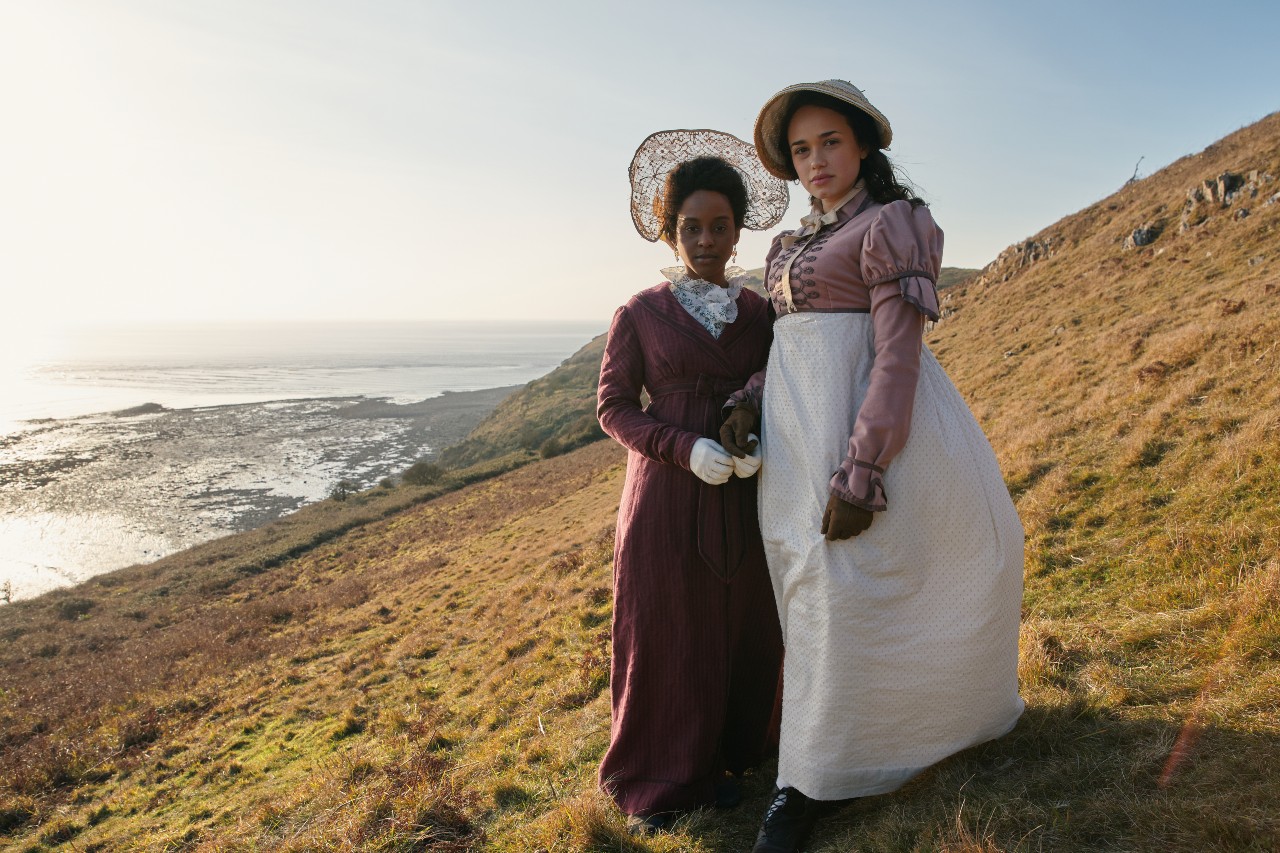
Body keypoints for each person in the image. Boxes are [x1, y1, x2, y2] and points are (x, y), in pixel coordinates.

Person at [718, 80, 1025, 853]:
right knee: (812, 595)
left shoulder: (893, 225)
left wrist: (864, 468)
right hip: (794, 444)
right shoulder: (789, 246)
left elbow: (894, 355)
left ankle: (808, 784)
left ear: (861, 147)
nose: (815, 160)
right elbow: (791, 348)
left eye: (829, 142)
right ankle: (834, 755)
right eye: (800, 149)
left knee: (852, 594)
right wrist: (749, 399)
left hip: (869, 439)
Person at [596, 130, 789, 834]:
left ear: (738, 230)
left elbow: (780, 378)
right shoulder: (640, 313)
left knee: (737, 624)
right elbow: (613, 408)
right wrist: (682, 445)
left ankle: (725, 760)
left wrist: (752, 421)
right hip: (667, 497)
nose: (706, 240)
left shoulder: (761, 312)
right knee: (668, 630)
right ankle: (659, 782)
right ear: (670, 232)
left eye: (720, 226)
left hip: (742, 488)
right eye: (691, 228)